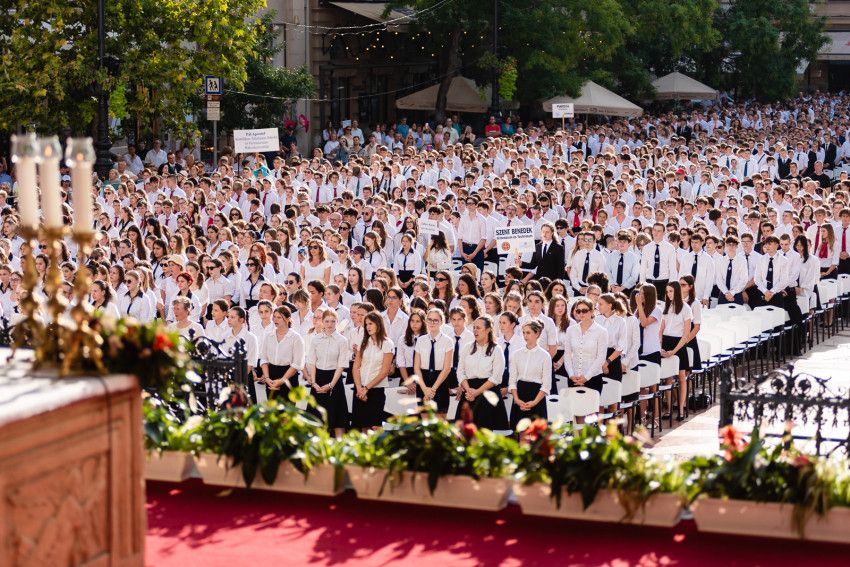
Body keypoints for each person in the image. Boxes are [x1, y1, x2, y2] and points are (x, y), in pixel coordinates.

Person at [456, 316, 509, 430]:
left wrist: (477, 392)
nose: (475, 330)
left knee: (486, 433)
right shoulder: (467, 347)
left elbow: (496, 377)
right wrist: (468, 389)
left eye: (478, 328)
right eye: (474, 327)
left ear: (488, 330)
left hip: (488, 394)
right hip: (468, 393)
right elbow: (460, 371)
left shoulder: (496, 349)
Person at [304, 310, 350, 436]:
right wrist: (314, 383)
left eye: (333, 321)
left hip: (334, 379)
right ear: (322, 322)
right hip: (318, 379)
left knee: (338, 419)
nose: (330, 324)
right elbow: (312, 362)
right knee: (316, 418)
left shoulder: (342, 340)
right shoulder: (316, 339)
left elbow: (341, 365)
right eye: (327, 321)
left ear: (337, 322)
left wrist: (331, 385)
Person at [351, 312, 394, 429]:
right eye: (366, 324)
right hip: (360, 388)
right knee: (361, 426)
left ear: (378, 324)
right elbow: (356, 367)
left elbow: (385, 371)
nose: (368, 327)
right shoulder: (363, 342)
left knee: (375, 427)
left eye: (370, 323)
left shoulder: (387, 343)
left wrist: (366, 388)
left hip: (376, 390)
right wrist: (360, 388)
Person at [508, 320, 551, 428]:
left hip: (537, 396)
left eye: (528, 333)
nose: (525, 336)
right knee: (521, 432)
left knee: (537, 435)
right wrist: (517, 400)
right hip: (520, 394)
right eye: (523, 332)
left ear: (537, 334)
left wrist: (535, 402)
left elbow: (546, 384)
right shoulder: (516, 354)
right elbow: (512, 380)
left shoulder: (545, 356)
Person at [660, 281, 692, 422]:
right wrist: (660, 346)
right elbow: (661, 330)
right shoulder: (666, 307)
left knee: (681, 377)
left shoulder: (686, 308)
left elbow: (686, 335)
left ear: (677, 292)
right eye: (667, 292)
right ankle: (668, 409)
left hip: (678, 344)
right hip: (666, 342)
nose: (668, 294)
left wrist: (673, 351)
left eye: (671, 291)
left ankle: (680, 409)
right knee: (667, 377)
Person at [563, 297, 608, 394]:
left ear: (592, 311)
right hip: (573, 378)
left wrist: (587, 377)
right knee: (574, 408)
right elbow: (567, 354)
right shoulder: (571, 330)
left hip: (593, 379)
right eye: (578, 311)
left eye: (584, 310)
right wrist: (571, 375)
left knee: (591, 409)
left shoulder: (601, 332)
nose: (581, 314)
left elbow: (601, 357)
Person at [413, 308, 453, 414]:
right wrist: (425, 389)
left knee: (440, 421)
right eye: (429, 319)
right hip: (423, 381)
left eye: (435, 320)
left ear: (441, 322)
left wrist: (433, 389)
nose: (432, 322)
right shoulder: (421, 340)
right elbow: (416, 367)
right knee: (425, 423)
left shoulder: (448, 341)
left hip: (440, 382)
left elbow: (447, 368)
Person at [259, 305, 304, 403]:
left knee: (287, 414)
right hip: (271, 375)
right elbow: (264, 359)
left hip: (289, 376)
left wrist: (282, 380)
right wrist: (267, 378)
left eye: (279, 317)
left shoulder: (296, 338)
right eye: (274, 317)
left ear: (288, 319)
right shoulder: (268, 336)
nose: (275, 319)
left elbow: (297, 363)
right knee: (272, 412)